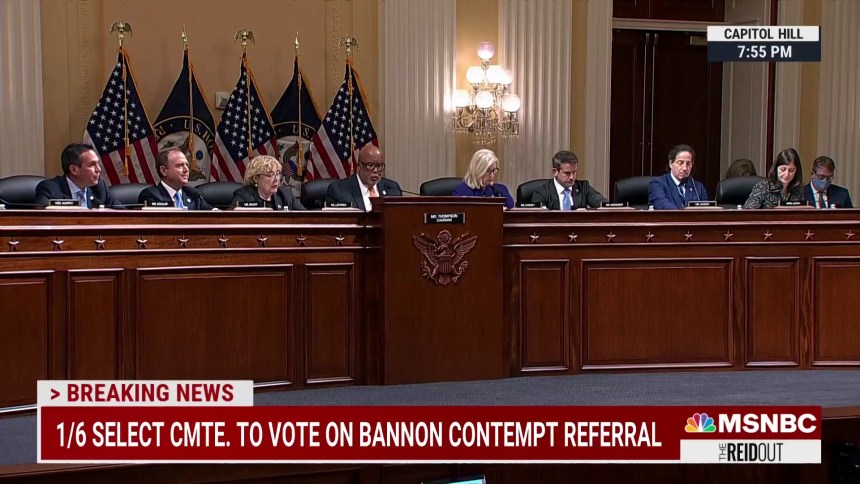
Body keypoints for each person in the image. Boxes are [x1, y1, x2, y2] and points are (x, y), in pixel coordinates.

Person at [34, 142, 119, 208]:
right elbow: (40, 218)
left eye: (97, 163)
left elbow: (122, 215)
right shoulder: (49, 189)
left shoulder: (100, 188)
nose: (98, 169)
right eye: (92, 165)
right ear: (74, 170)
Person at [325, 144, 402, 211]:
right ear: (359, 167)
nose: (375, 170)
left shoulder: (393, 189)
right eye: (370, 165)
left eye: (379, 166)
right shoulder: (338, 191)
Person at [138, 148, 212, 210]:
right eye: (180, 165)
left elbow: (213, 215)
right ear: (164, 170)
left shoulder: (192, 194)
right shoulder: (150, 195)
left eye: (187, 165)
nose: (186, 169)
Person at [530, 150, 608, 209]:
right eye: (567, 173)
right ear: (555, 172)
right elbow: (540, 217)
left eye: (574, 172)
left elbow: (604, 205)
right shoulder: (541, 192)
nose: (572, 177)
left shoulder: (583, 188)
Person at [231, 155, 305, 210]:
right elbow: (232, 219)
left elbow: (304, 217)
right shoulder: (243, 195)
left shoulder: (285, 194)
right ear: (256, 179)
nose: (276, 179)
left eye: (277, 174)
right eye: (270, 175)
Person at [648, 144, 708, 210]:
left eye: (688, 163)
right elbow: (662, 204)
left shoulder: (698, 187)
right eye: (680, 163)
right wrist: (684, 214)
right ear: (671, 164)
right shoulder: (657, 183)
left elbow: (706, 210)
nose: (685, 168)